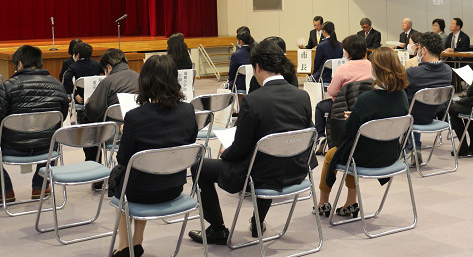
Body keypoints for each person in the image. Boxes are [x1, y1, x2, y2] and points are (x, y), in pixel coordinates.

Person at [188, 39, 314, 245]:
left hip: (261, 173)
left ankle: (217, 229)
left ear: (257, 67)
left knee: (199, 166)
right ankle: (258, 220)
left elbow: (241, 147)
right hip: (295, 169)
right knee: (270, 155)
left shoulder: (253, 100)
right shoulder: (302, 96)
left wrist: (226, 153)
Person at [111, 55, 198, 257]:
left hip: (138, 191)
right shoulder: (188, 110)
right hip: (173, 187)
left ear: (145, 81)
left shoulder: (134, 116)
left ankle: (124, 246)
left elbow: (123, 159)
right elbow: (189, 144)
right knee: (143, 173)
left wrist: (127, 133)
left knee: (124, 178)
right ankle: (137, 241)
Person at [313, 47, 409, 218]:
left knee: (335, 154)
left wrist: (352, 117)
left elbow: (350, 131)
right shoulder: (402, 96)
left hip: (365, 157)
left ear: (377, 70)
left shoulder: (366, 100)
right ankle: (351, 201)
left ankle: (323, 202)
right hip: (390, 154)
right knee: (352, 149)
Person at [0, 45, 68, 202]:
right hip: (47, 148)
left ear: (20, 64)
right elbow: (61, 117)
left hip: (12, 149)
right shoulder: (57, 85)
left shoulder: (7, 87)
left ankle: (5, 190)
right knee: (53, 135)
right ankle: (40, 186)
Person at [84, 49, 139, 174]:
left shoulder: (108, 81)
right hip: (139, 130)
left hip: (113, 134)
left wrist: (88, 104)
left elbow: (94, 110)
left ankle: (95, 171)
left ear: (108, 66)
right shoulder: (140, 77)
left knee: (89, 124)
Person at [405, 32, 453, 165]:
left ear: (423, 50)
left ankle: (410, 147)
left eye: (418, 48)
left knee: (403, 105)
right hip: (435, 114)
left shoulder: (413, 73)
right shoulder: (448, 70)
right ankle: (413, 146)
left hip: (413, 118)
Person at [314, 35, 372, 145]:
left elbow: (332, 92)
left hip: (344, 108)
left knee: (320, 107)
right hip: (367, 107)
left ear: (348, 52)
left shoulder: (342, 69)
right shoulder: (372, 66)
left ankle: (320, 137)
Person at [62, 42, 102, 109]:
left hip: (81, 99)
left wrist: (75, 94)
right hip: (96, 97)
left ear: (77, 54)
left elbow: (66, 78)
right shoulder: (97, 64)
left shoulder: (73, 66)